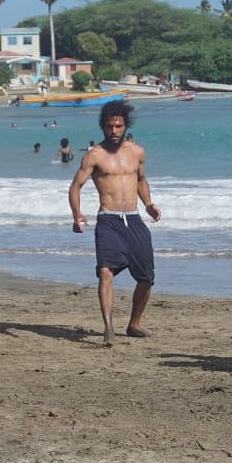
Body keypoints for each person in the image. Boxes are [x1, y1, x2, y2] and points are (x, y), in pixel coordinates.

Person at [69, 100, 161, 346]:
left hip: (134, 218)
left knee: (146, 277)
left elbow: (141, 180)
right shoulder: (94, 155)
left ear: (125, 126)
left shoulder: (137, 152)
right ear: (103, 127)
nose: (114, 131)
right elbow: (75, 186)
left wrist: (148, 203)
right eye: (110, 126)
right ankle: (108, 328)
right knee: (105, 272)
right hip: (108, 219)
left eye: (118, 126)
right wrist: (76, 215)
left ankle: (134, 324)